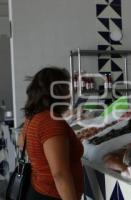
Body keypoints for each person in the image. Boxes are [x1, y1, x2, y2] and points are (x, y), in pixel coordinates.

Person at [18, 67, 83, 200]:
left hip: (38, 190)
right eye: (66, 89)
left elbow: (20, 143)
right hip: (52, 195)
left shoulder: (33, 118)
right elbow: (60, 174)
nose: (70, 95)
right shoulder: (50, 122)